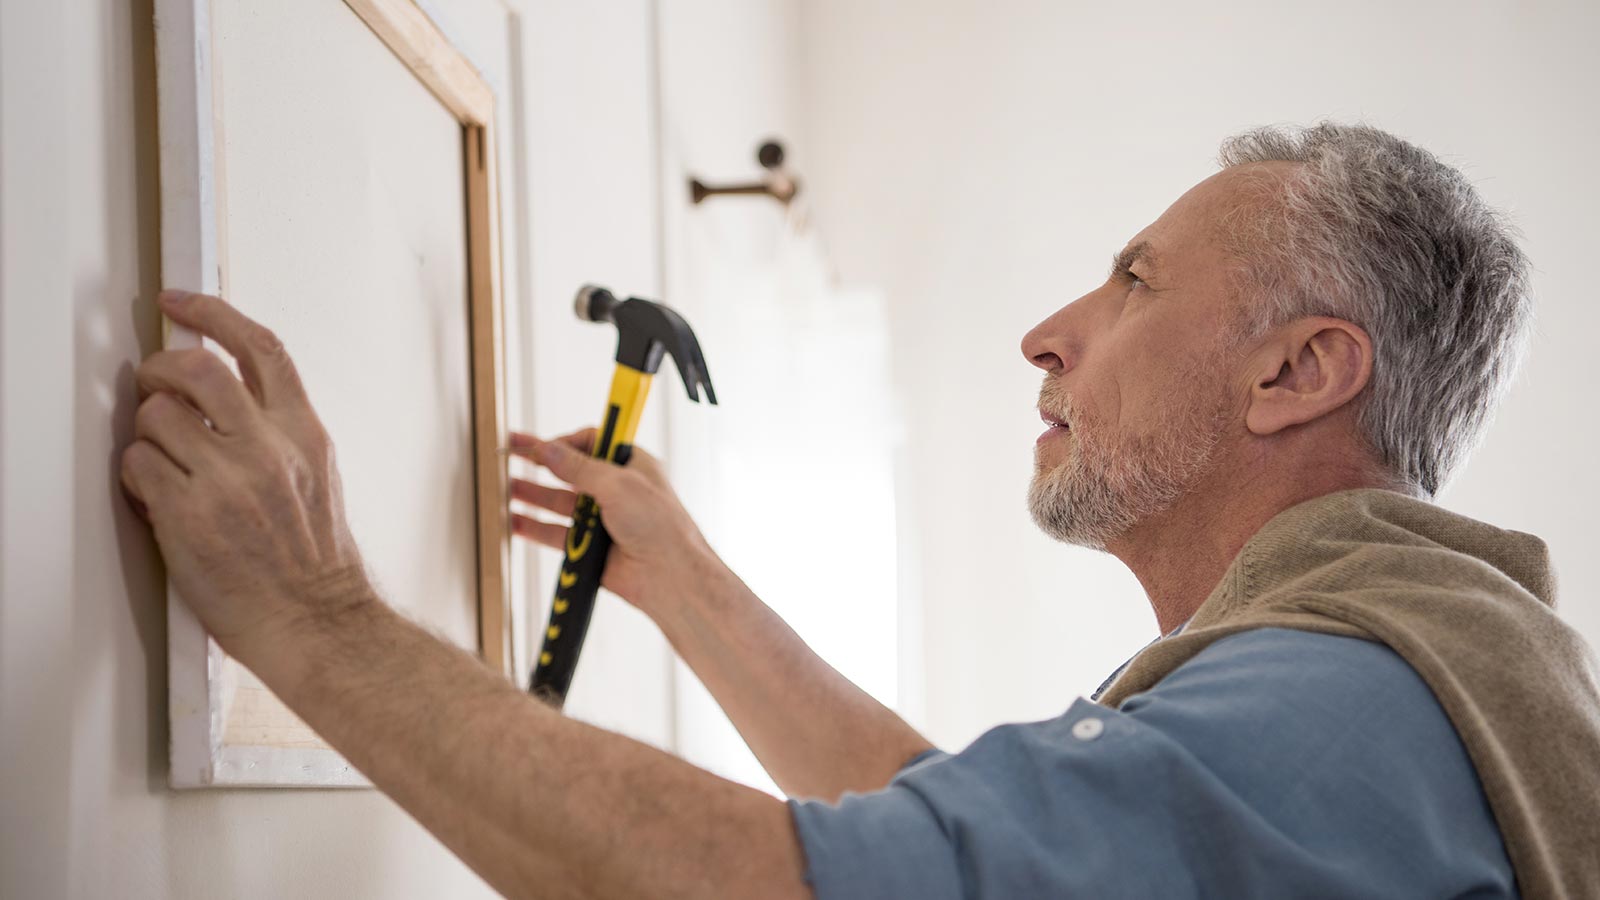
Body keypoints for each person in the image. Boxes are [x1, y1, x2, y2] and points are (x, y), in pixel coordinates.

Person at [119, 123, 1600, 899]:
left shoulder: (1335, 707)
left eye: (1135, 282)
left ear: (1295, 372)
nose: (1048, 334)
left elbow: (785, 894)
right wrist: (690, 586)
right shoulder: (1403, 690)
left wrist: (318, 620)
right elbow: (959, 848)